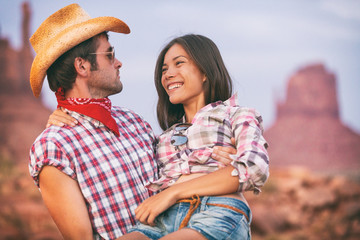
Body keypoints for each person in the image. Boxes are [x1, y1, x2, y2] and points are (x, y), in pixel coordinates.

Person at [29, 4, 238, 240]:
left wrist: (224, 156)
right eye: (109, 55)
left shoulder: (133, 122)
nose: (118, 63)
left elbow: (181, 169)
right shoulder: (54, 146)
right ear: (82, 66)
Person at [50, 34, 269, 240]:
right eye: (164, 69)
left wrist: (174, 192)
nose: (168, 74)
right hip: (162, 218)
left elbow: (254, 169)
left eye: (179, 63)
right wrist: (68, 112)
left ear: (205, 71)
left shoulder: (237, 115)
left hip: (217, 211)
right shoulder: (162, 137)